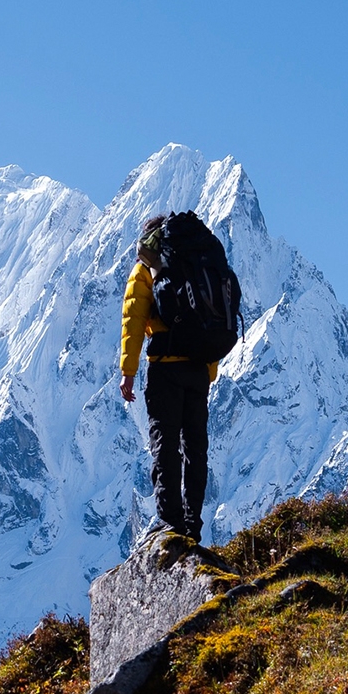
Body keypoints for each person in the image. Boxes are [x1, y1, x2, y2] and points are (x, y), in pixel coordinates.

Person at [119, 213, 222, 543]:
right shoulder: (196, 266)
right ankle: (193, 523)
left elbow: (133, 319)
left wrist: (128, 373)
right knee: (195, 447)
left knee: (165, 446)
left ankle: (171, 522)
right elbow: (211, 318)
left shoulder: (147, 270)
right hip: (197, 370)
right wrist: (209, 369)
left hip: (164, 368)